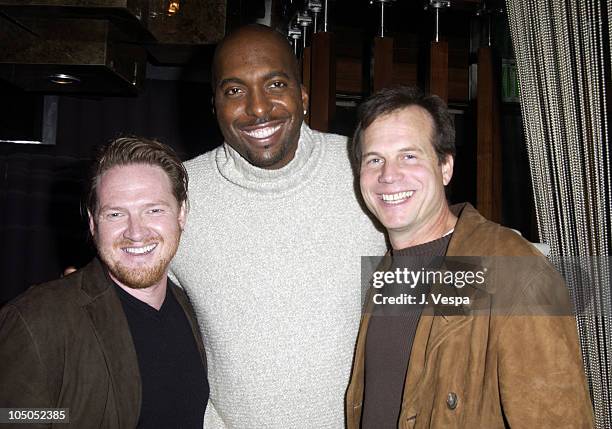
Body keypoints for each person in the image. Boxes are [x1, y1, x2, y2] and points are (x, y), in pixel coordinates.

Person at [169, 24, 386, 428]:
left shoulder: (367, 172)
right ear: (213, 103)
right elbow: (126, 303)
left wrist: (527, 268)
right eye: (234, 90)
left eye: (275, 84)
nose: (258, 108)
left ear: (302, 96)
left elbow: (438, 278)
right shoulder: (176, 195)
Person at [345, 86, 594, 428]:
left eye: (409, 155)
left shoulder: (512, 269)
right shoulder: (385, 272)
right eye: (375, 159)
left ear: (445, 166)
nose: (388, 175)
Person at [0, 137, 209, 428]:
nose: (136, 233)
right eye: (115, 214)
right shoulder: (35, 319)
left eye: (154, 210)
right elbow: (11, 416)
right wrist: (68, 416)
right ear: (92, 223)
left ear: (182, 213)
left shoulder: (196, 310)